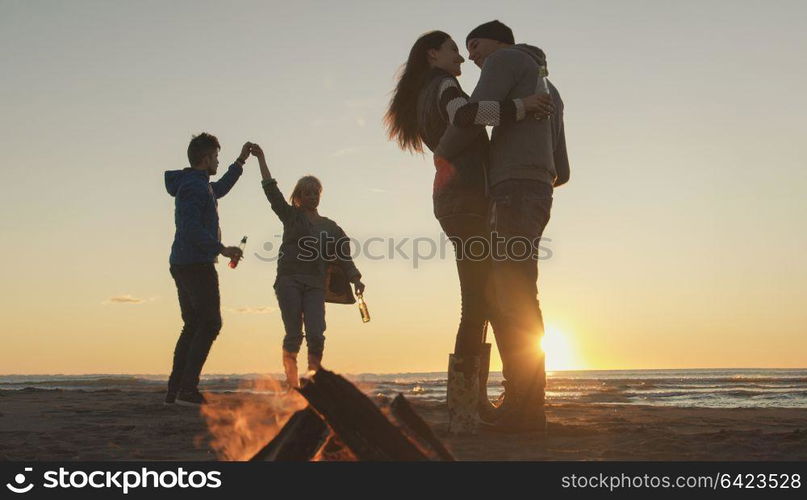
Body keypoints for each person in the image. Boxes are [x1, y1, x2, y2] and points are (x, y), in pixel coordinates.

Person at [384, 30, 552, 433]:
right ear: (433, 55)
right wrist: (521, 106)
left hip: (455, 203)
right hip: (469, 202)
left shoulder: (424, 93)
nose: (461, 59)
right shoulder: (444, 85)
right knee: (477, 303)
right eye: (454, 51)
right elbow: (466, 116)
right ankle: (464, 411)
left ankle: (470, 407)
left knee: (478, 302)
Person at [436, 20, 571, 433]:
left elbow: (472, 117)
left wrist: (443, 154)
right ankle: (526, 404)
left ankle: (523, 408)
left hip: (511, 190)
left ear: (497, 42)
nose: (472, 56)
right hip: (537, 192)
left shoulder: (505, 60)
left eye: (475, 46)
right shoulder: (551, 87)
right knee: (517, 290)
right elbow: (562, 170)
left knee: (508, 293)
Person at [252, 143, 365, 389]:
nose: (312, 196)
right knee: (294, 334)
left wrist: (356, 278)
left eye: (315, 193)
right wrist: (261, 159)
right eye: (307, 193)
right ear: (299, 196)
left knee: (316, 334)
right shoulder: (291, 216)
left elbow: (344, 255)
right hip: (289, 280)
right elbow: (272, 192)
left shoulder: (330, 226)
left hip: (315, 284)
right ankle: (292, 383)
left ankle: (314, 379)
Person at [164, 133, 252, 406]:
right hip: (194, 264)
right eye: (215, 157)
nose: (217, 161)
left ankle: (175, 391)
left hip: (185, 262)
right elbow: (189, 227)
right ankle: (187, 390)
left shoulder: (200, 184)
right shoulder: (193, 186)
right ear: (205, 159)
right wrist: (221, 248)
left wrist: (240, 162)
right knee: (210, 323)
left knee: (193, 325)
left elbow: (220, 188)